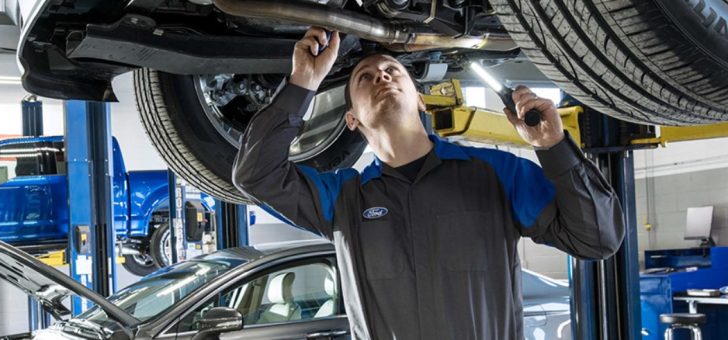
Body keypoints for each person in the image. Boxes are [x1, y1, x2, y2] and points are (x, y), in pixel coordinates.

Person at [232, 27, 626, 339]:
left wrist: (554, 147)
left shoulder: (494, 174)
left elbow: (597, 238)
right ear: (351, 119)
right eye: (365, 78)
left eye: (392, 71)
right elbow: (256, 174)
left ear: (421, 100)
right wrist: (303, 82)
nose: (381, 77)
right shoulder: (344, 199)